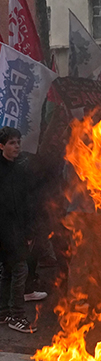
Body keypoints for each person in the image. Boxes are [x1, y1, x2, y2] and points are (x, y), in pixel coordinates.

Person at [0, 127, 38, 333]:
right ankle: (17, 316)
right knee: (19, 270)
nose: (17, 146)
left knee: (7, 271)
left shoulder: (19, 169)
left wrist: (29, 230)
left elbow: (25, 202)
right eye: (12, 143)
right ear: (1, 146)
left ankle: (4, 312)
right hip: (8, 231)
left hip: (15, 230)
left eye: (18, 142)